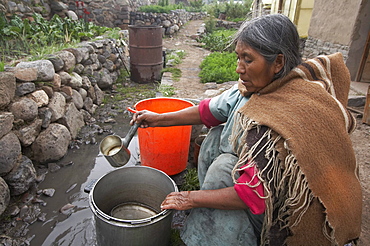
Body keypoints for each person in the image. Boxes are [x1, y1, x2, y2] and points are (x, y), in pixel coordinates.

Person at [131, 14, 362, 246]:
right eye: (238, 57)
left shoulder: (284, 113)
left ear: (278, 63)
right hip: (252, 182)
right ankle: (215, 214)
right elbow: (208, 112)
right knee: (214, 138)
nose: (238, 68)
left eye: (248, 60)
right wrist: (157, 119)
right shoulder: (253, 88)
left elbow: (255, 195)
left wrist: (189, 198)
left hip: (279, 211)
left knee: (222, 170)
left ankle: (232, 236)